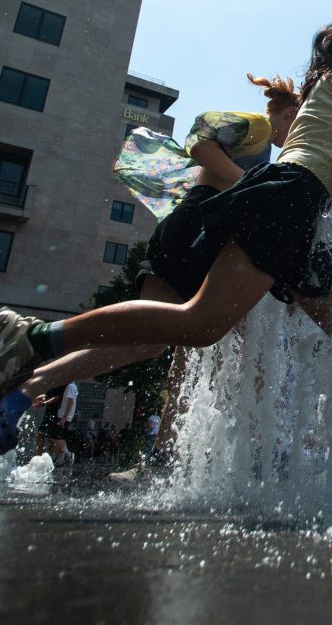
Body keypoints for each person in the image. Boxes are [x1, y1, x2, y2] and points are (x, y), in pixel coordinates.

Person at [0, 22, 332, 455]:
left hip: (302, 214)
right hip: (291, 200)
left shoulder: (323, 90)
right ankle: (34, 336)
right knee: (201, 324)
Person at [108, 74, 303, 484]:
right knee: (161, 342)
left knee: (193, 350)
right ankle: (42, 357)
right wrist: (247, 180)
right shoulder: (259, 126)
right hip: (194, 232)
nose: (297, 134)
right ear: (288, 113)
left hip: (212, 239)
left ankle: (171, 454)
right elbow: (199, 140)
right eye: (298, 121)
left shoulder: (269, 152)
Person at [38, 382, 78, 467]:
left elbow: (71, 402)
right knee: (55, 437)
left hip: (63, 416)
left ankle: (68, 453)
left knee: (54, 437)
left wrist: (64, 417)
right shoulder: (70, 386)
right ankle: (63, 456)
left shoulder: (70, 386)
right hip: (62, 415)